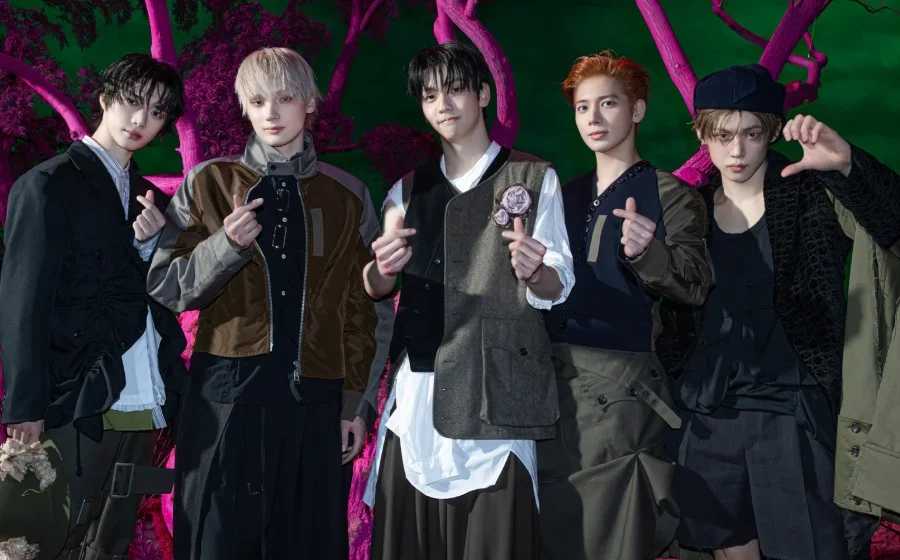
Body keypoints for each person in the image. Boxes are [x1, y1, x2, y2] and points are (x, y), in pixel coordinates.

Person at [147, 47, 391, 559]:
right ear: (245, 108)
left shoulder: (347, 194)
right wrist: (225, 246)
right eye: (258, 102)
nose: (271, 113)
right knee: (215, 542)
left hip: (316, 405)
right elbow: (167, 286)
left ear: (310, 104)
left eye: (285, 98)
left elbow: (368, 311)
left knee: (307, 545)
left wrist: (356, 404)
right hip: (225, 398)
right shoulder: (209, 181)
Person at [659, 63, 899, 560]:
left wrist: (847, 164)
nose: (737, 150)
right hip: (707, 415)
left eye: (751, 134)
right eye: (723, 135)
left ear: (771, 133)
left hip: (792, 413)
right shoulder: (688, 211)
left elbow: (893, 223)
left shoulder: (810, 194)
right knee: (726, 549)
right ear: (702, 135)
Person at [360, 41, 575, 560]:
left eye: (456, 89)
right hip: (420, 394)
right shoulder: (406, 191)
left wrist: (535, 270)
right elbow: (376, 284)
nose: (444, 104)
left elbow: (558, 285)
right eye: (430, 95)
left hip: (499, 396)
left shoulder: (533, 178)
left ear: (483, 94)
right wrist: (380, 268)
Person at [0, 53, 187, 560]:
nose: (140, 120)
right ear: (104, 99)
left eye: (157, 112)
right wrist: (24, 405)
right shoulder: (48, 183)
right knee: (49, 536)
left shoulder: (150, 198)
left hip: (142, 387)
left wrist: (147, 250)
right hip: (75, 392)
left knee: (111, 539)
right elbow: (23, 299)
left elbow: (157, 297)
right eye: (132, 102)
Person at [536, 51, 713, 560]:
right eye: (582, 107)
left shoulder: (670, 195)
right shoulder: (561, 195)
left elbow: (696, 285)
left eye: (608, 103)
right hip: (549, 393)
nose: (593, 117)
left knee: (611, 539)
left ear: (636, 110)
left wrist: (648, 253)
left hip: (620, 392)